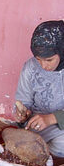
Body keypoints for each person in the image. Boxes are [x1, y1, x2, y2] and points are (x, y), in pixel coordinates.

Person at [15, 20, 64, 158]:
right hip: (37, 126)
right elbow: (23, 100)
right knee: (19, 143)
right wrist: (22, 114)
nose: (43, 65)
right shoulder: (30, 68)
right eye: (38, 59)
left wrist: (51, 118)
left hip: (61, 128)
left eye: (49, 60)